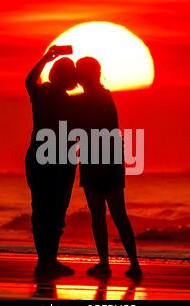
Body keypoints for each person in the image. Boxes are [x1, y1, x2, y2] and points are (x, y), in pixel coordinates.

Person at [74, 57, 142, 279]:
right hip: (104, 160)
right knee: (111, 214)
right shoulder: (102, 96)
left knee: (106, 214)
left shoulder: (93, 99)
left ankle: (116, 263)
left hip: (101, 161)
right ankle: (125, 263)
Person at [25, 46, 77, 278]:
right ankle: (47, 260)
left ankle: (46, 260)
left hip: (48, 158)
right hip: (56, 160)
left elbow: (30, 79)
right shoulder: (54, 97)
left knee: (44, 210)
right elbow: (30, 80)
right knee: (53, 211)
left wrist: (47, 57)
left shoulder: (43, 94)